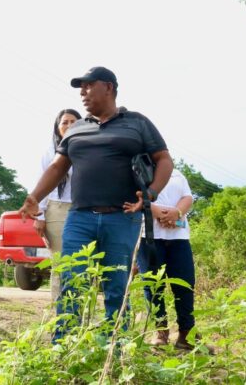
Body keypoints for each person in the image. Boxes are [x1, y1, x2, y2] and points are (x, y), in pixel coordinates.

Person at [18, 66, 173, 338]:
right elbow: (56, 167)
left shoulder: (137, 123)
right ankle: (63, 344)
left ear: (109, 87)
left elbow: (164, 160)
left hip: (122, 217)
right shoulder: (76, 128)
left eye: (89, 86)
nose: (82, 92)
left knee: (116, 284)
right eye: (81, 87)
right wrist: (35, 197)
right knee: (72, 280)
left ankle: (116, 346)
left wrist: (151, 194)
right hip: (79, 217)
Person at [133, 169, 199, 350]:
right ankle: (161, 332)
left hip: (179, 238)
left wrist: (176, 213)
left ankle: (187, 333)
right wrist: (163, 214)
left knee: (185, 285)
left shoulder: (177, 174)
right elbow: (136, 199)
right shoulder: (137, 172)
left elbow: (188, 197)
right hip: (149, 236)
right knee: (153, 286)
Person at [33, 108, 82, 304]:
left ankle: (79, 313)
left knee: (82, 264)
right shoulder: (50, 152)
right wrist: (39, 216)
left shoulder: (88, 150)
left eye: (74, 122)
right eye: (65, 122)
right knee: (61, 263)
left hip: (83, 209)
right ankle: (60, 314)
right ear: (57, 127)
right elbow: (41, 184)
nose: (69, 126)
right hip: (57, 210)